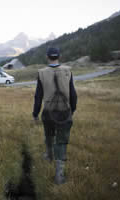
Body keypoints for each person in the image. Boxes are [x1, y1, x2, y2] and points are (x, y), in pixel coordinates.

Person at [32, 47, 77, 184]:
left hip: (48, 112)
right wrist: (72, 110)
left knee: (49, 135)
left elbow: (38, 96)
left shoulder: (41, 73)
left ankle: (49, 156)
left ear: (47, 57)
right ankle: (59, 175)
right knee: (61, 142)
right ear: (59, 56)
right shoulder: (68, 71)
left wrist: (35, 114)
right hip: (64, 111)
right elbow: (73, 94)